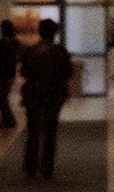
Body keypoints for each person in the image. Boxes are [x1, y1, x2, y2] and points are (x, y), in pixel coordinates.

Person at [19, 18, 74, 180]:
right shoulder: (60, 51)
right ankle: (47, 168)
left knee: (33, 131)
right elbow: (68, 73)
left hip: (33, 94)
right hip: (54, 95)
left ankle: (30, 166)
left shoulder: (30, 51)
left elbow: (24, 73)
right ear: (54, 33)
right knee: (50, 131)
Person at [0, 20, 20, 129]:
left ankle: (9, 120)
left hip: (3, 75)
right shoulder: (14, 43)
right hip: (7, 75)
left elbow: (1, 60)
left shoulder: (6, 43)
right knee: (2, 98)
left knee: (2, 99)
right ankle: (7, 120)